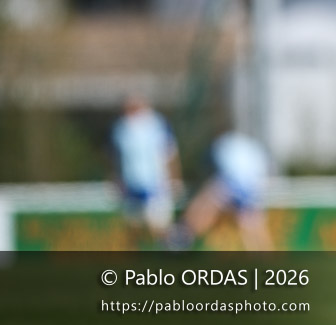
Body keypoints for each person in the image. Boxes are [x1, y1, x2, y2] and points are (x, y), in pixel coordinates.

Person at [169, 131, 274, 251]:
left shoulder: (222, 148)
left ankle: (182, 235)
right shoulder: (242, 148)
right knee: (251, 222)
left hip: (237, 181)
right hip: (248, 182)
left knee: (211, 202)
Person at [110, 94, 182, 248]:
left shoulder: (157, 124)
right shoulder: (121, 128)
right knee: (134, 227)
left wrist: (174, 179)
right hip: (132, 186)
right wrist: (117, 180)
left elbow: (169, 154)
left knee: (159, 227)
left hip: (156, 185)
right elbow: (116, 158)